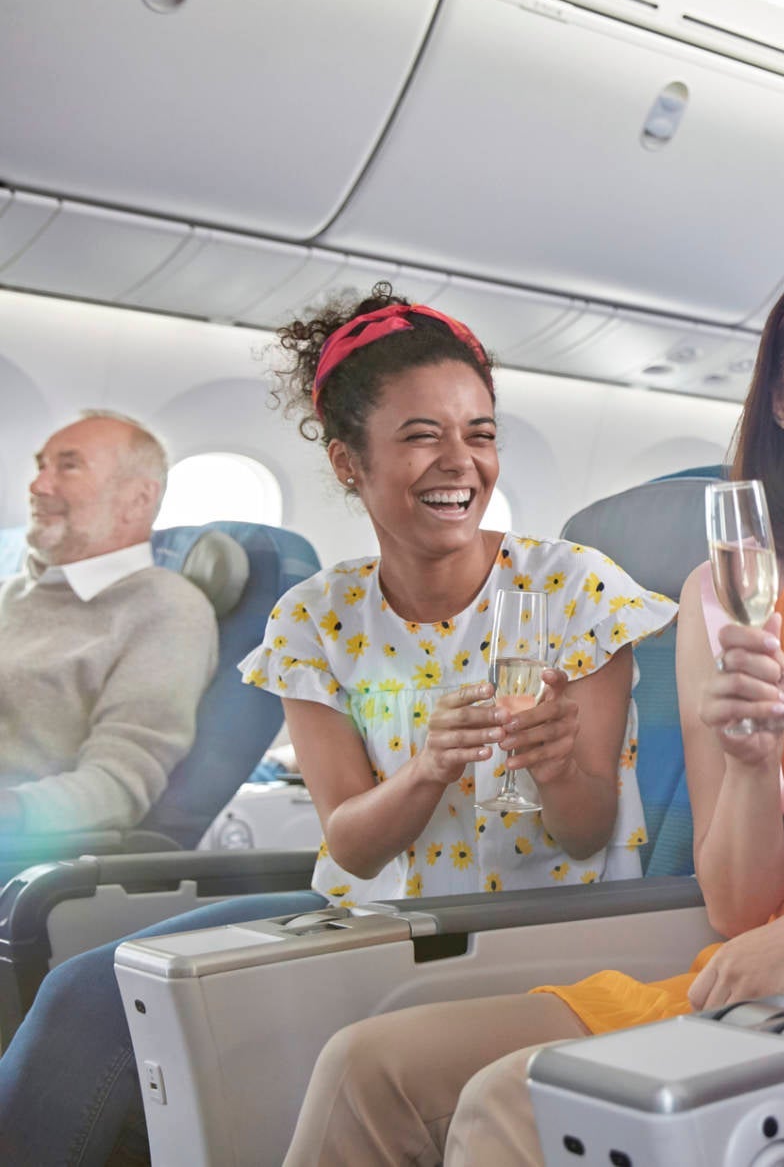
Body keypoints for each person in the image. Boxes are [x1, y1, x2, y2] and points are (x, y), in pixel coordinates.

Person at [281, 243, 784, 1166]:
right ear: (779, 398)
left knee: (513, 1102)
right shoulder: (722, 593)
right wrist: (748, 761)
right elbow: (739, 910)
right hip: (768, 979)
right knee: (366, 1064)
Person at [0, 290, 669, 1167]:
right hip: (369, 917)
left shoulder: (574, 589)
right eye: (423, 434)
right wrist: (428, 767)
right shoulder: (317, 616)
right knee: (90, 987)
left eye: (482, 432)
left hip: (532, 925)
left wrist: (554, 767)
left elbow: (586, 831)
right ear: (350, 463)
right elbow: (349, 845)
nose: (460, 461)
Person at [0, 411, 215, 838]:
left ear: (137, 499)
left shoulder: (166, 610)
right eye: (42, 465)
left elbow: (117, 785)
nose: (38, 485)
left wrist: (12, 813)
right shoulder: (11, 592)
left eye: (68, 466)